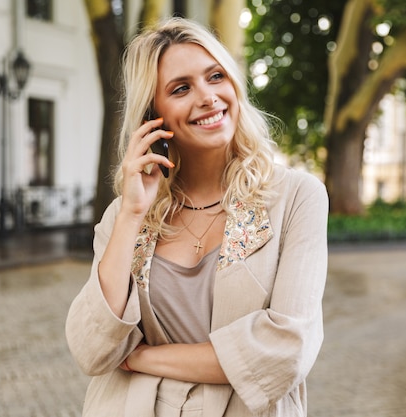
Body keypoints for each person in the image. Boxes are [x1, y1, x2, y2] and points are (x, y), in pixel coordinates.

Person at [65, 17, 328, 417]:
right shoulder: (126, 214)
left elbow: (287, 349)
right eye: (182, 88)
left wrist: (141, 359)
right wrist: (133, 213)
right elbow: (91, 349)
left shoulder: (295, 198)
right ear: (154, 115)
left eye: (216, 76)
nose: (207, 97)